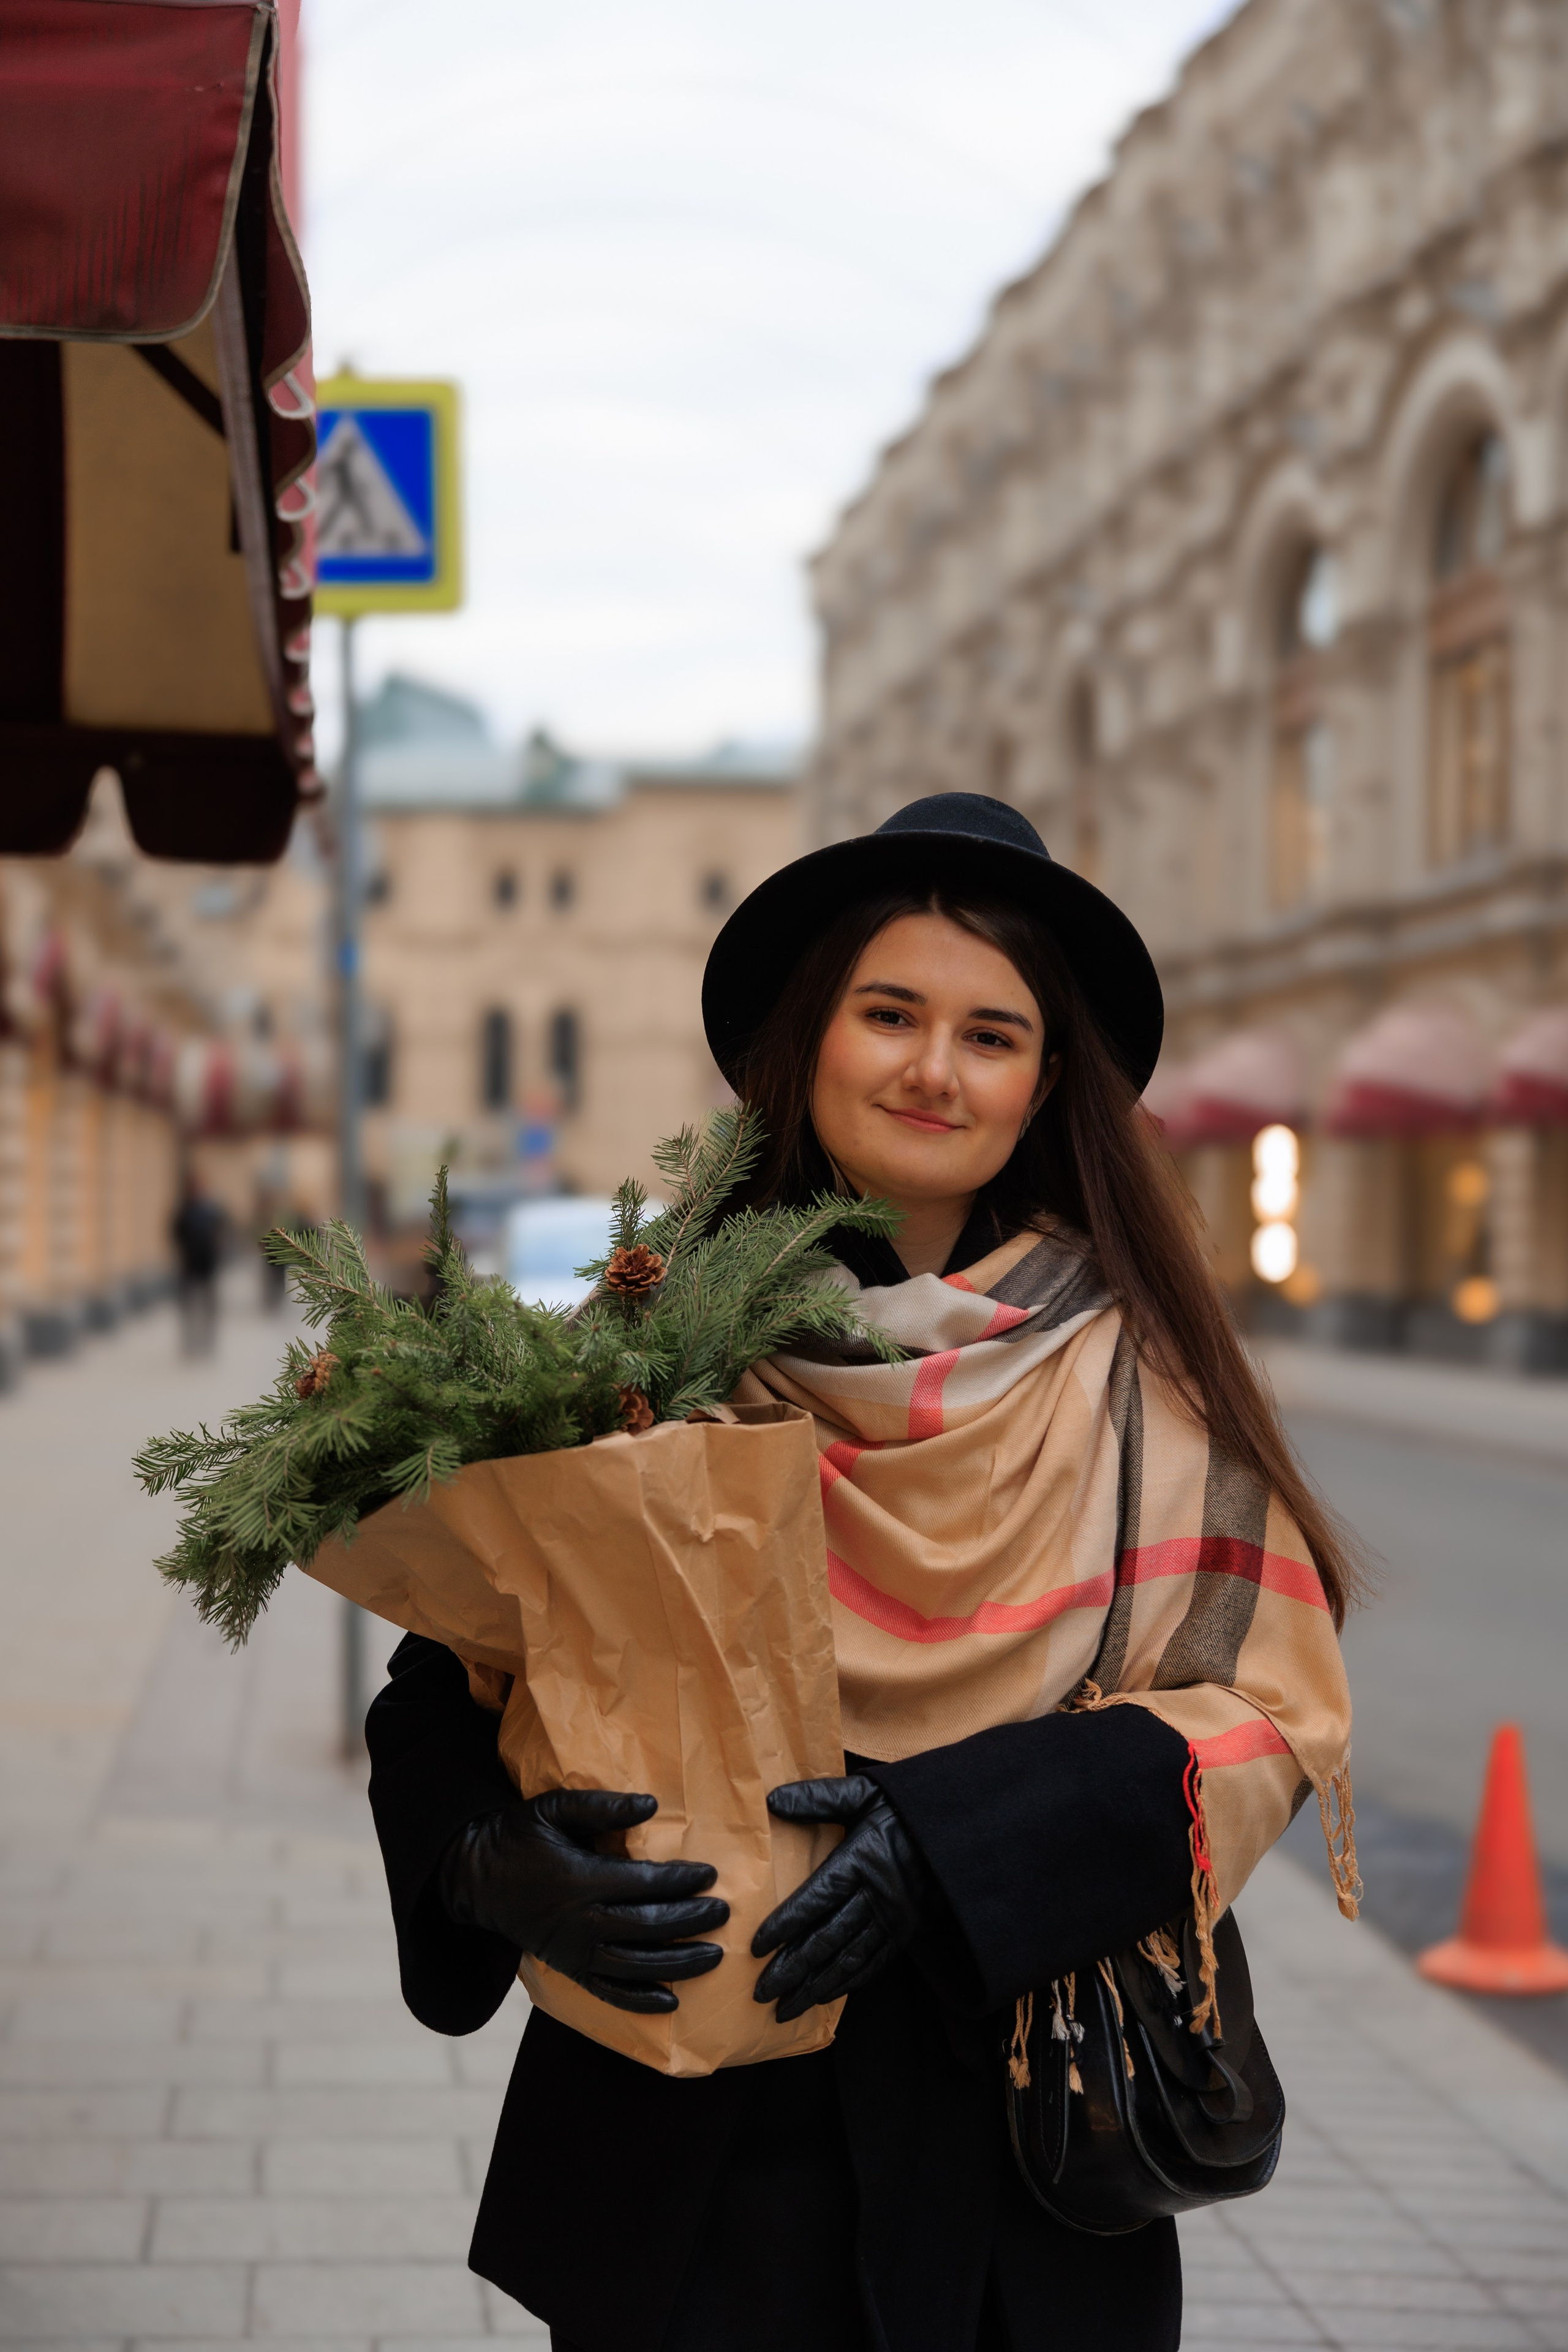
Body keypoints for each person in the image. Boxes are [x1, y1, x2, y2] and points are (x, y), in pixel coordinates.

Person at [366, 794, 1359, 2352]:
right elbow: (443, 1671)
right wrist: (487, 1864)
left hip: (1015, 2134)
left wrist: (946, 1844)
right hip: (677, 2140)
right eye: (886, 1012)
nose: (929, 1068)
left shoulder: (1143, 1383)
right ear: (805, 1038)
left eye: (989, 1033)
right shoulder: (642, 1351)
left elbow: (1264, 1714)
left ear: (1042, 1084)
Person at [170, 1176, 224, 1357]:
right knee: (189, 1308)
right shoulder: (184, 1212)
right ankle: (191, 1344)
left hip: (208, 1266)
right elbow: (176, 1233)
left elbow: (221, 1232)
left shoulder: (211, 1212)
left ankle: (208, 1342)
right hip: (190, 1267)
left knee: (209, 1307)